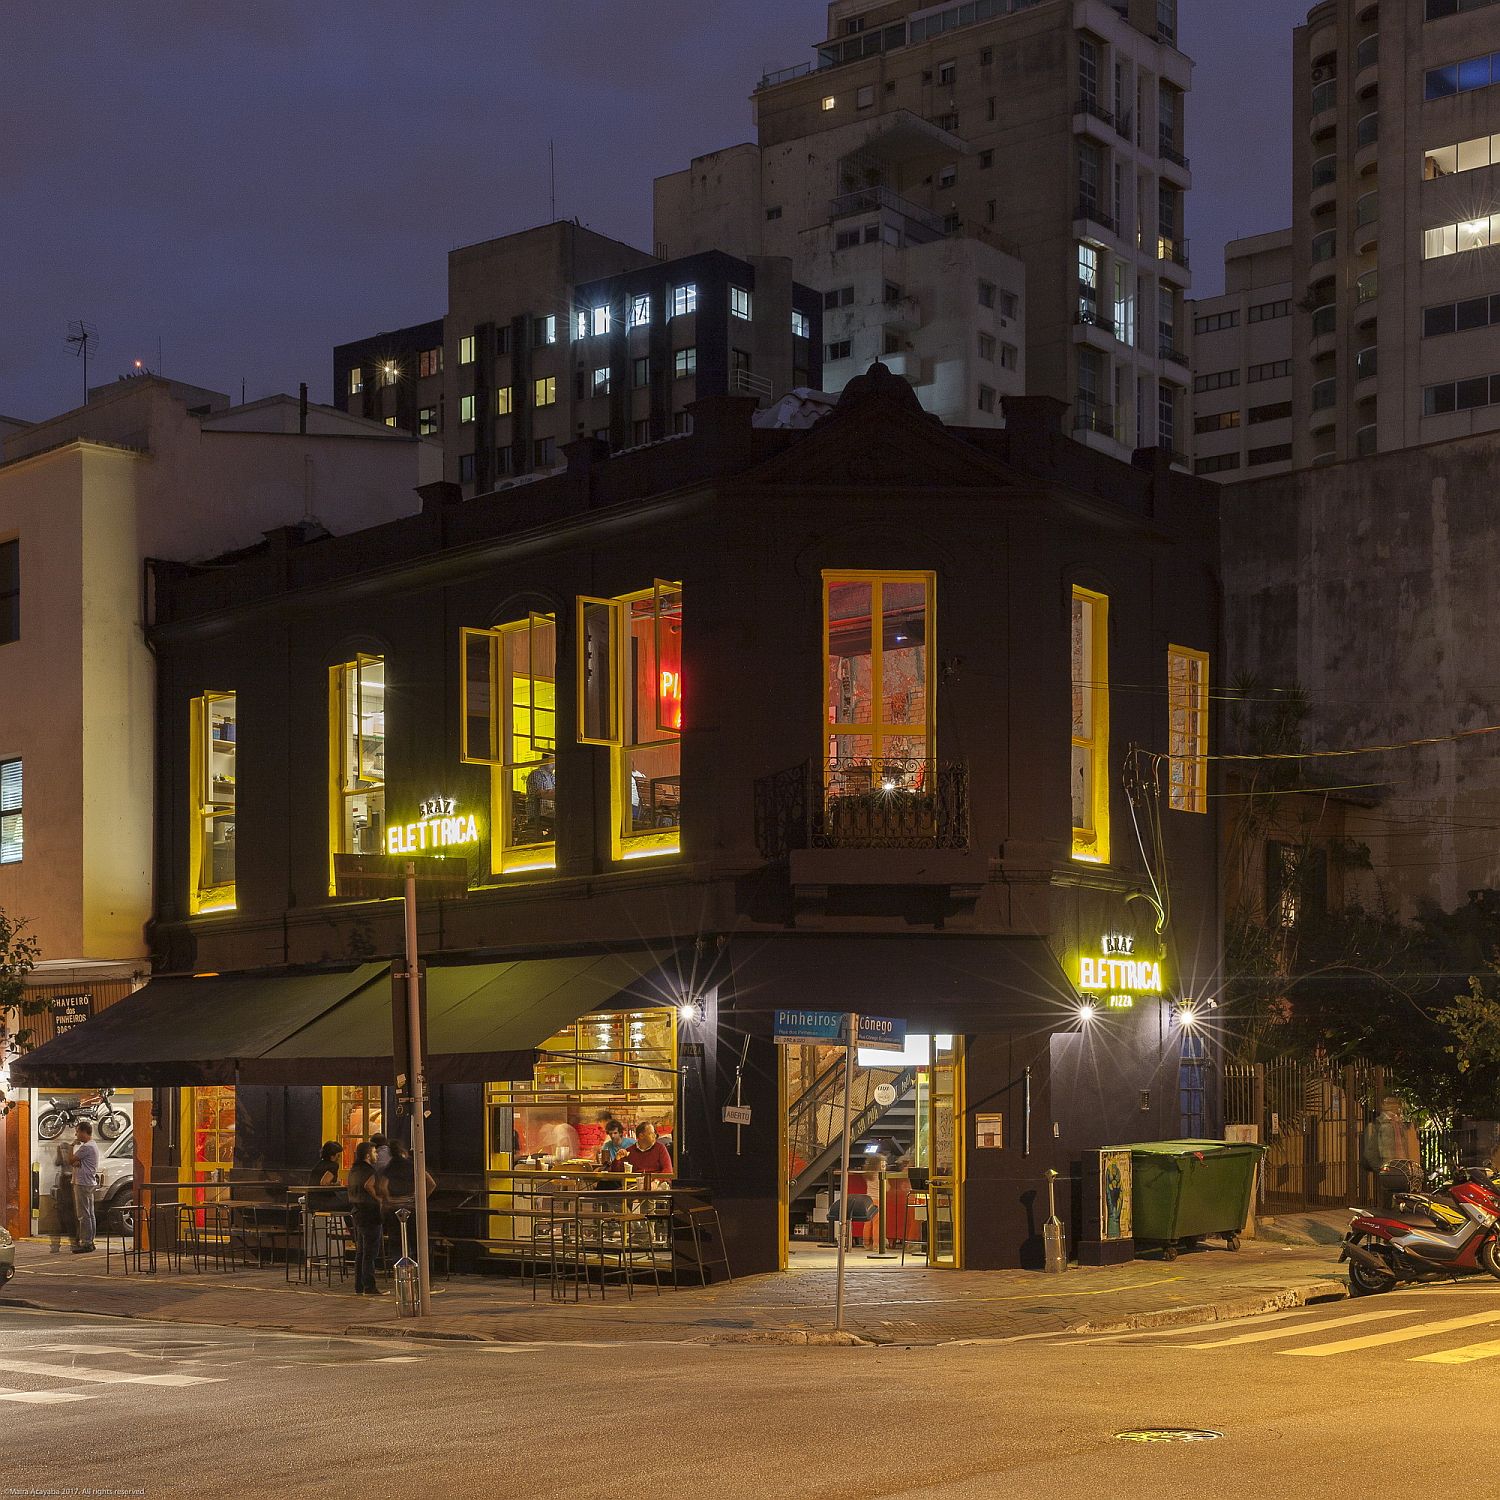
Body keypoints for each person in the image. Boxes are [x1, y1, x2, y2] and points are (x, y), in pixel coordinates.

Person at [346, 1141, 387, 1296]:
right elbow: (368, 1185)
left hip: (357, 1212)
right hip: (370, 1213)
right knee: (370, 1252)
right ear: (368, 1154)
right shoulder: (370, 1170)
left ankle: (359, 1286)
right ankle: (369, 1286)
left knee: (361, 1252)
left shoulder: (353, 1170)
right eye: (375, 1152)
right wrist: (380, 1199)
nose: (377, 1155)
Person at [70, 1121, 99, 1253]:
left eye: (77, 1131)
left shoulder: (86, 1147)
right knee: (90, 1214)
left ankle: (86, 1243)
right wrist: (78, 1162)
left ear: (83, 1132)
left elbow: (71, 1160)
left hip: (82, 1183)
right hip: (88, 1182)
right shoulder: (93, 1146)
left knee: (83, 1214)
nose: (76, 1134)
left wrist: (71, 1146)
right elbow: (76, 1162)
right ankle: (90, 1241)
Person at [49, 1135, 75, 1254]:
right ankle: (55, 1245)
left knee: (69, 1217)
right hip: (64, 1182)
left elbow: (69, 1162)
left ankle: (73, 1244)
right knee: (60, 1216)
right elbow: (58, 1162)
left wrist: (70, 1149)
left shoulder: (73, 1151)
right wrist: (59, 1152)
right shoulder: (62, 1157)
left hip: (70, 1181)